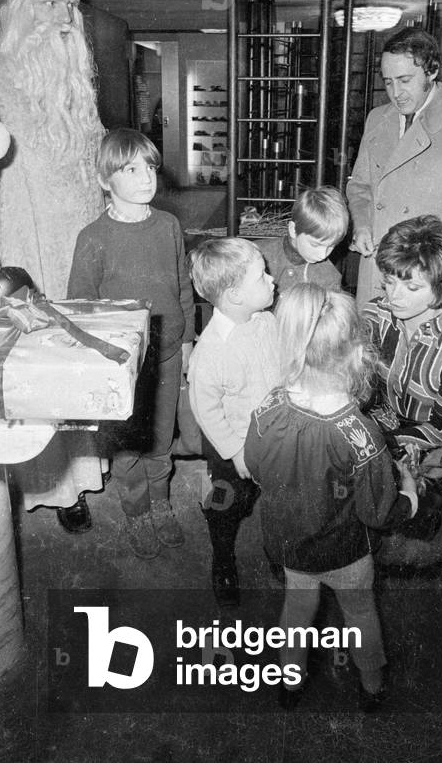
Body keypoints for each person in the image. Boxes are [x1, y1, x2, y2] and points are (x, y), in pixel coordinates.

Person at [0, 0, 107, 531]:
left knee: (76, 376)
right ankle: (50, 494)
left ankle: (76, 481)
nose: (62, 22)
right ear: (23, 13)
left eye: (69, 9)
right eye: (49, 8)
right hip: (26, 262)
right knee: (33, 381)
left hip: (82, 257)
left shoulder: (80, 88)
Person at [244, 283, 417, 710]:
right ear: (359, 356)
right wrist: (410, 493)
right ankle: (372, 683)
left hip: (289, 545)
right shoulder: (361, 437)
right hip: (346, 554)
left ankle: (289, 680)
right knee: (360, 614)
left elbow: (255, 466)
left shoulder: (268, 406)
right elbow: (379, 512)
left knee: (297, 609)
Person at [67, 128, 195, 560]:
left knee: (161, 439)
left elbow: (183, 287)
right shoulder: (93, 238)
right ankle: (136, 509)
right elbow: (81, 310)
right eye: (131, 170)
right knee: (125, 445)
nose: (146, 178)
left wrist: (189, 337)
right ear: (106, 180)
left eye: (151, 168)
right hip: (121, 365)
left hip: (169, 352)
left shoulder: (169, 225)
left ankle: (160, 504)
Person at [346, 27, 442, 308]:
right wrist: (363, 224)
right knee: (375, 348)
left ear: (432, 70)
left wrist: (420, 257)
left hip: (427, 273)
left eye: (405, 80)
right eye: (388, 82)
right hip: (377, 266)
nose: (395, 93)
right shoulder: (377, 118)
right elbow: (360, 184)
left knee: (426, 351)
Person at [363, 215, 442, 530]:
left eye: (411, 286)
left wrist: (381, 443)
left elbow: (441, 430)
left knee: (422, 514)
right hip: (381, 420)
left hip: (427, 439)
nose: (394, 297)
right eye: (389, 281)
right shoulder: (374, 314)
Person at [187, 238, 280, 607]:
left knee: (278, 500)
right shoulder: (210, 353)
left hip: (275, 435)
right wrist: (235, 452)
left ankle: (279, 553)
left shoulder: (267, 321)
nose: (272, 280)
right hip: (233, 444)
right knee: (230, 503)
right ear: (235, 297)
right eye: (262, 276)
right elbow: (206, 411)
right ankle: (223, 559)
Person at [255, 185, 348, 297]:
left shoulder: (329, 277)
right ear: (293, 230)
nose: (322, 255)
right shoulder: (255, 255)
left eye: (331, 246)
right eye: (315, 245)